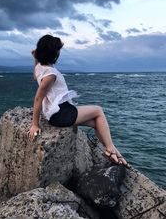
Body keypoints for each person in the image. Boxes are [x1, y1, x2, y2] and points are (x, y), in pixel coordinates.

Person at [28, 34, 127, 166]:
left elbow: (36, 76)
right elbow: (38, 98)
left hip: (59, 111)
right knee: (98, 110)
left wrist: (35, 59)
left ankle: (114, 154)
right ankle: (110, 149)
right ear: (53, 54)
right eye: (58, 51)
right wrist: (35, 124)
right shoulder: (50, 74)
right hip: (60, 114)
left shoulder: (41, 68)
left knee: (96, 123)